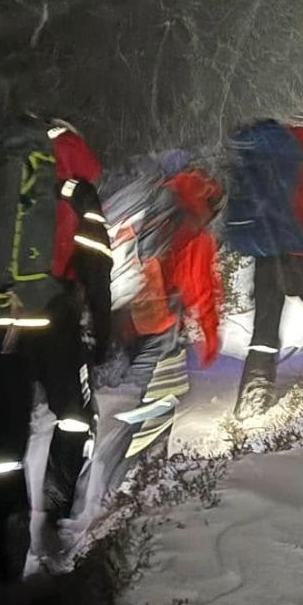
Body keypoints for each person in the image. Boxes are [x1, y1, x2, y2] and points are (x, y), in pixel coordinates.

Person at [0, 114, 113, 585]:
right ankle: (55, 515)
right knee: (76, 416)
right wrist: (100, 327)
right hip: (52, 317)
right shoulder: (73, 178)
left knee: (2, 445)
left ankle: (3, 556)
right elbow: (96, 257)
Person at [90, 154, 224, 504]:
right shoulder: (194, 226)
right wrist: (209, 337)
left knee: (127, 390)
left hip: (123, 313)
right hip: (160, 320)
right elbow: (202, 289)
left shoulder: (153, 204)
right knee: (154, 399)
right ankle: (127, 479)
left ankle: (99, 459)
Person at [224, 120, 303, 419]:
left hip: (266, 258)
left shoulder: (264, 167)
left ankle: (253, 398)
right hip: (301, 257)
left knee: (265, 327)